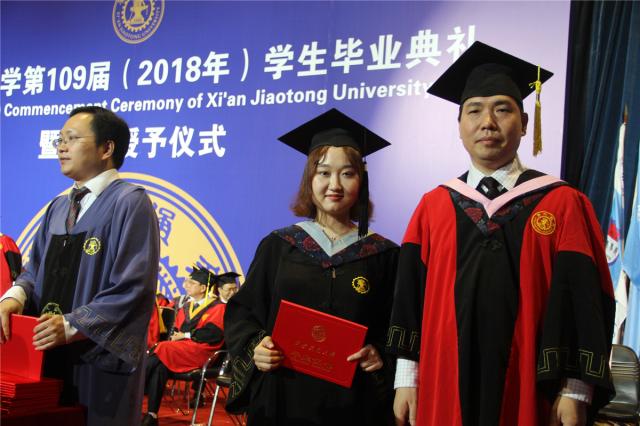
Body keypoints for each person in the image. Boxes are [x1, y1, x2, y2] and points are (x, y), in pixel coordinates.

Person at [387, 42, 615, 426]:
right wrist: (406, 378)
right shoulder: (433, 206)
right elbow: (409, 298)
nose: (487, 122)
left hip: (534, 389)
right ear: (460, 126)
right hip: (444, 383)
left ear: (524, 123)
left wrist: (576, 389)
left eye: (502, 109)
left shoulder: (562, 203)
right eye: (474, 110)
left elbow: (586, 300)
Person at [224, 108, 399, 426]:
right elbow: (244, 312)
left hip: (354, 403)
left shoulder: (383, 255)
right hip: (283, 397)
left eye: (347, 173)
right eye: (324, 173)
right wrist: (256, 347)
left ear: (362, 181)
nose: (335, 184)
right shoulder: (279, 246)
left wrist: (381, 354)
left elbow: (398, 324)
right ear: (309, 179)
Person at [0, 106, 160, 426]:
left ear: (106, 148)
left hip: (98, 363)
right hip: (47, 357)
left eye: (71, 139)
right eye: (59, 139)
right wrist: (14, 296)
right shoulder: (58, 207)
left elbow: (133, 287)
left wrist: (72, 325)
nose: (61, 147)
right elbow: (34, 270)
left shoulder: (130, 202)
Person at [142, 267, 237, 426]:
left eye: (191, 283)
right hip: (182, 350)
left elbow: (213, 335)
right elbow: (177, 330)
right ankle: (152, 415)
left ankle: (132, 391)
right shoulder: (186, 306)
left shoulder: (218, 307)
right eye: (186, 281)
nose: (186, 285)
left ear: (203, 287)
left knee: (163, 347)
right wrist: (180, 336)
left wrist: (186, 335)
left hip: (204, 351)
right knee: (160, 366)